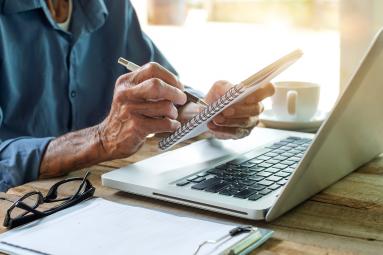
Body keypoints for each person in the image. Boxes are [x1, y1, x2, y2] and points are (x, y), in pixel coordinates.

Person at [0, 0, 274, 192]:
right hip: (18, 208)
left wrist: (211, 114)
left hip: (101, 192)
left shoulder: (114, 6)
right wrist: (101, 139)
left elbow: (158, 97)